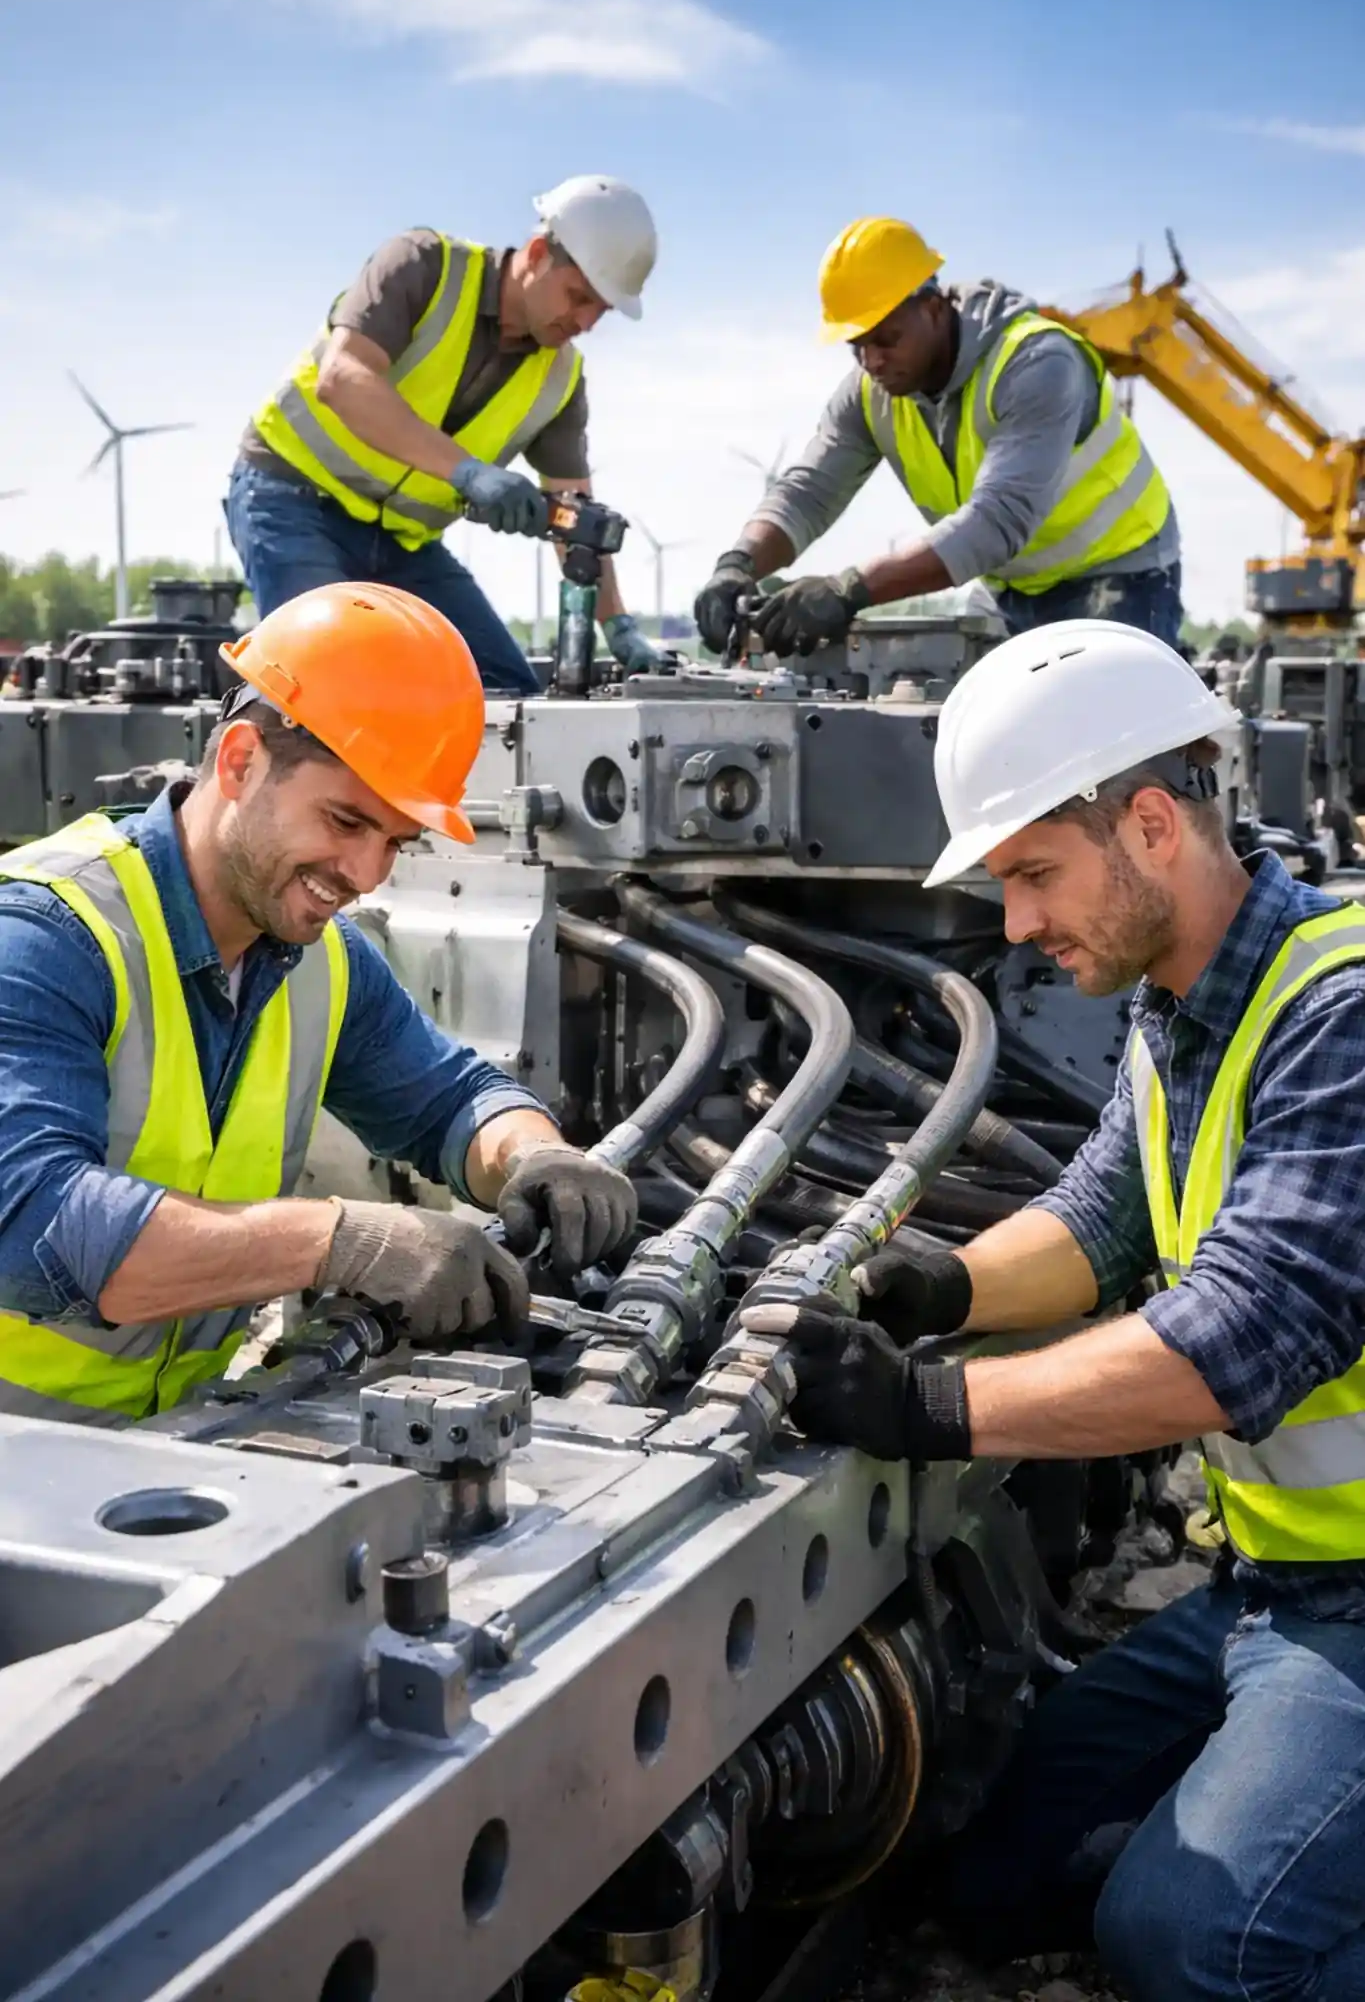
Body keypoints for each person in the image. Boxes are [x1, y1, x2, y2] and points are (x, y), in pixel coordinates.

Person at [746, 620, 1365, 2002]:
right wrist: (946, 1286)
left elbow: (1236, 1341)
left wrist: (928, 1405)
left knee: (1191, 1944)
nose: (1015, 925)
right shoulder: (1189, 997)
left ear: (1150, 823)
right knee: (993, 1864)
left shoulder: (1345, 1016)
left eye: (1033, 874)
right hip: (1274, 1589)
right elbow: (1101, 1217)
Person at [0, 584, 637, 1425]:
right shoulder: (47, 935)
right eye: (344, 820)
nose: (366, 874)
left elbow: (448, 1097)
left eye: (394, 842)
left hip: (152, 1449)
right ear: (239, 761)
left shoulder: (317, 960)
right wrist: (344, 1241)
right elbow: (34, 1228)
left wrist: (530, 1154)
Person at [228, 177, 661, 695]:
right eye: (579, 297)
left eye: (602, 310)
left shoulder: (561, 380)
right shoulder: (423, 265)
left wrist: (618, 628)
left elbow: (577, 515)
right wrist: (469, 472)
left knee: (504, 690)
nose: (586, 321)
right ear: (540, 252)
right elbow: (342, 378)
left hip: (403, 544)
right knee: (330, 684)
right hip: (292, 501)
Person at [695, 219, 1182, 660]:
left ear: (932, 308)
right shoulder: (871, 394)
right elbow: (808, 493)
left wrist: (847, 591)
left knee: (1110, 751)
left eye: (886, 338)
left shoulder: (1035, 364)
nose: (872, 361)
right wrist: (737, 564)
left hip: (1121, 575)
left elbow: (997, 522)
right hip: (1011, 586)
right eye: (857, 345)